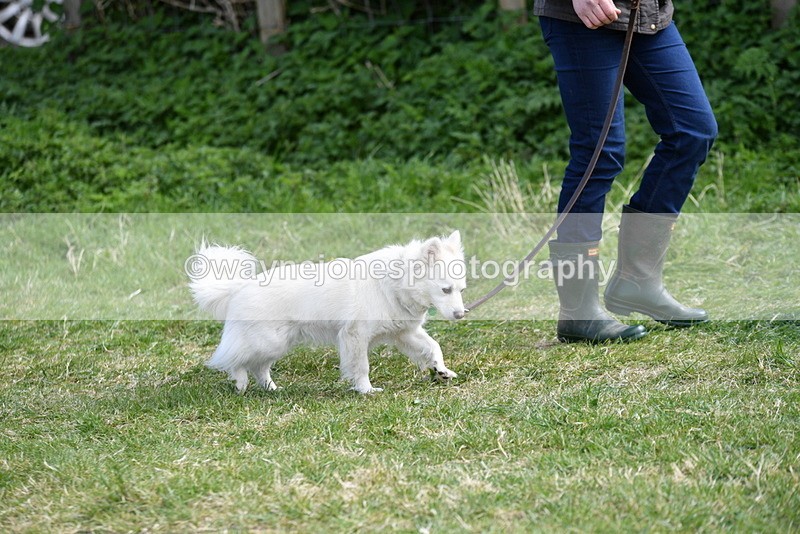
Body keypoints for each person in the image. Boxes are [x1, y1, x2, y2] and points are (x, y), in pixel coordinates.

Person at [533, 0, 718, 343]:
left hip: (647, 13)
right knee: (598, 152)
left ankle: (639, 280)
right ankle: (578, 312)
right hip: (584, 15)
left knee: (693, 131)